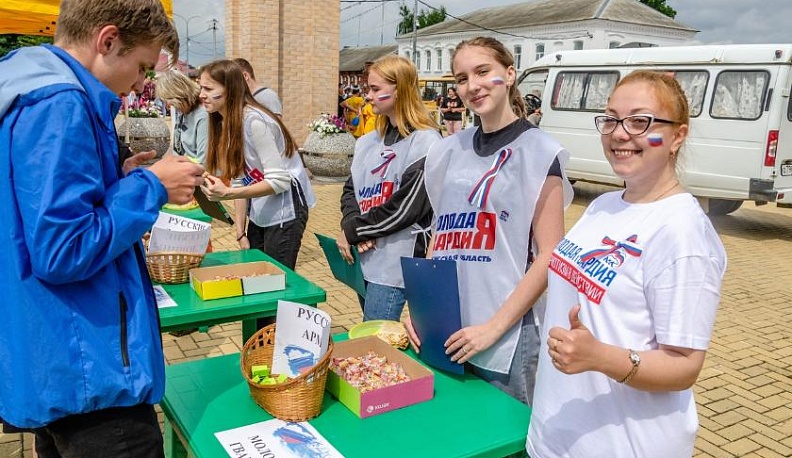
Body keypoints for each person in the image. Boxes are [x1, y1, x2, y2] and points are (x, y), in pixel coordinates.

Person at [0, 1, 205, 457]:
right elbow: (62, 248)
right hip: (93, 370)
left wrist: (118, 179)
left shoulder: (26, 88)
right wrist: (151, 188)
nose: (142, 82)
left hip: (55, 353)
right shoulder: (61, 104)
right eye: (143, 66)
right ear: (107, 41)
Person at [526, 71, 727, 457]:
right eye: (611, 119)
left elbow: (684, 366)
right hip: (556, 435)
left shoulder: (682, 232)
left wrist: (599, 357)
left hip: (623, 444)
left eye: (640, 122)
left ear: (677, 136)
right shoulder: (603, 205)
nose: (619, 134)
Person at [405, 36, 573, 406]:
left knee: (503, 432)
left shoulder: (540, 151)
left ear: (510, 74)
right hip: (448, 326)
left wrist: (493, 328)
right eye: (462, 78)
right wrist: (420, 309)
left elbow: (551, 255)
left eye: (483, 72)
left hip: (505, 336)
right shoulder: (448, 150)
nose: (472, 85)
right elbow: (442, 234)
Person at [338, 55, 442, 321]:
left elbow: (406, 207)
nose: (368, 96)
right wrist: (352, 225)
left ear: (400, 90)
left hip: (396, 261)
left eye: (376, 89)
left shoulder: (426, 141)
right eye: (368, 89)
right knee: (370, 329)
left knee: (376, 334)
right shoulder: (368, 142)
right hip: (365, 254)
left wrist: (355, 230)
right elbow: (351, 190)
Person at [198, 59, 315, 275]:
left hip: (286, 210)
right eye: (201, 88)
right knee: (256, 276)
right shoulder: (226, 123)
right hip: (260, 211)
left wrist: (227, 193)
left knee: (275, 279)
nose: (201, 95)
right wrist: (240, 231)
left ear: (230, 89)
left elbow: (279, 181)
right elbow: (239, 179)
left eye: (208, 88)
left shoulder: (255, 122)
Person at [156, 70, 209, 164]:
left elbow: (203, 161)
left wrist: (180, 161)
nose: (168, 105)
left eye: (169, 99)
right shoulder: (183, 113)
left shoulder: (203, 117)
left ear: (180, 94)